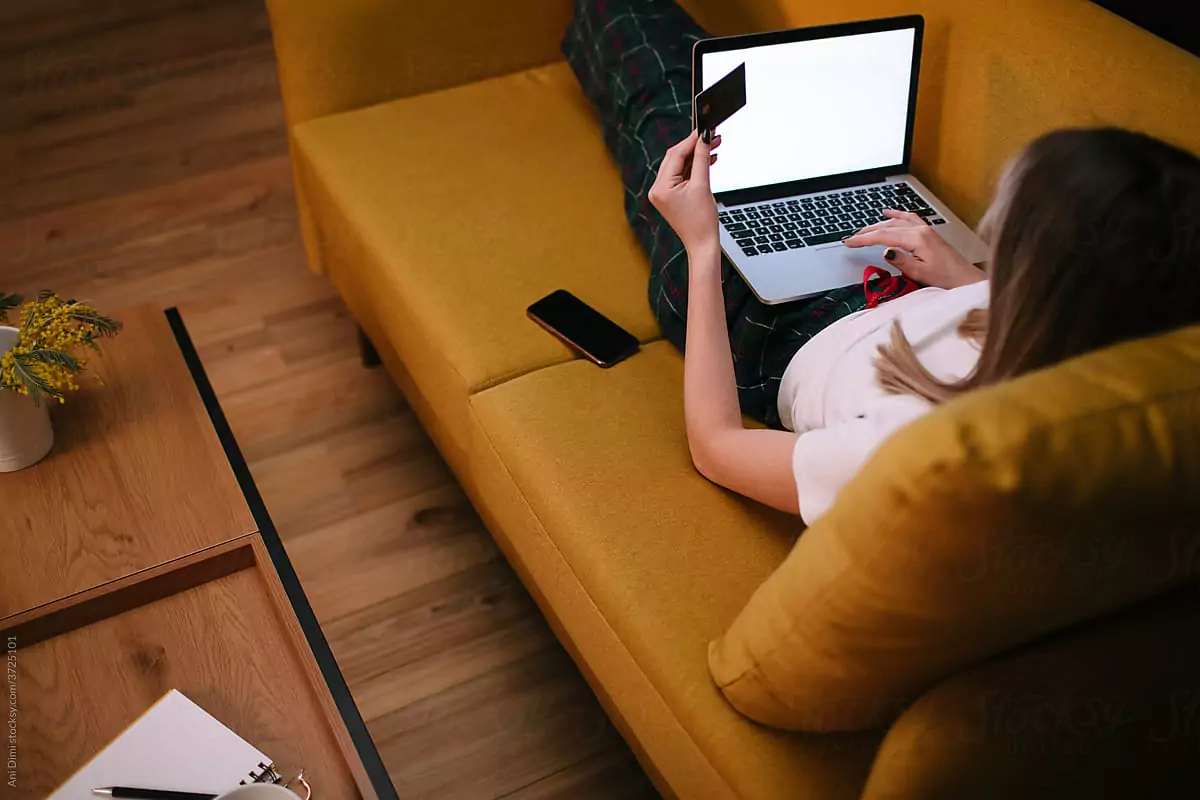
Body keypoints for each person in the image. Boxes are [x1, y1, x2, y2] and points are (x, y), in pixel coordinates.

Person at [563, 0, 1200, 524]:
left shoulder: (905, 452)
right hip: (901, 278)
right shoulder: (1102, 344)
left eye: (1006, 217)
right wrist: (965, 281)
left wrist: (706, 248)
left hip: (774, 334)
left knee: (665, 106)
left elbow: (718, 447)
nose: (990, 222)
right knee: (722, 117)